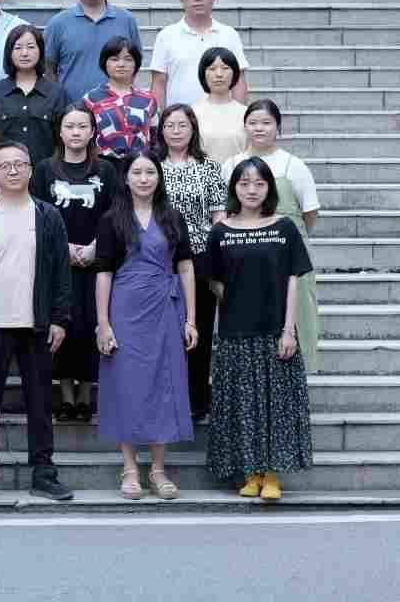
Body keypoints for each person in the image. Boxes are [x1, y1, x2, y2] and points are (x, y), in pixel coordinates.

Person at [0, 142, 74, 503]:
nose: (12, 170)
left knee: (40, 404)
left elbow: (62, 273)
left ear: (30, 169)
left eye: (19, 164)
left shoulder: (47, 216)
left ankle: (44, 474)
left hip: (37, 325)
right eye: (4, 165)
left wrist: (60, 319)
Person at [204, 156, 315, 501]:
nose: (251, 190)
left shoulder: (284, 228)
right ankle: (251, 474)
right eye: (244, 183)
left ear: (269, 188)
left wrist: (289, 329)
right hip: (235, 333)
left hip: (274, 330)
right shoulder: (221, 231)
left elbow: (294, 278)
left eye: (259, 183)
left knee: (275, 407)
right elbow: (213, 280)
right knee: (243, 406)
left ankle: (271, 476)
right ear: (234, 188)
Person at [93, 153, 197, 500]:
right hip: (125, 308)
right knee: (125, 384)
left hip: (166, 308)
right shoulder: (112, 219)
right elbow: (103, 272)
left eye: (150, 172)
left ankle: (158, 469)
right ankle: (129, 468)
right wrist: (103, 323)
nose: (143, 178)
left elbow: (185, 267)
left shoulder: (172, 217)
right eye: (136, 172)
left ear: (159, 177)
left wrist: (191, 319)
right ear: (125, 178)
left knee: (164, 383)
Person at [29, 103, 118, 422]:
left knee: (89, 324)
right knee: (63, 323)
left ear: (93, 131)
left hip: (96, 262)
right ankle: (66, 396)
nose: (76, 132)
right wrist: (63, 247)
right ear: (60, 131)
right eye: (70, 126)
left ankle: (86, 394)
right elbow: (36, 213)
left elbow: (114, 215)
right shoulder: (44, 170)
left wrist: (95, 247)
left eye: (82, 126)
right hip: (56, 262)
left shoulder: (105, 170)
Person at [222, 99, 322, 374]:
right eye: (253, 123)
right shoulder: (231, 164)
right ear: (244, 126)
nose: (259, 128)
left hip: (285, 255)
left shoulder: (294, 165)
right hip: (244, 254)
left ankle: (295, 374)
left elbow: (309, 213)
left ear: (278, 126)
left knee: (296, 314)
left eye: (266, 122)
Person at [154, 104, 226, 422]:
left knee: (200, 327)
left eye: (182, 125)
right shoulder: (152, 166)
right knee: (163, 329)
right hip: (159, 257)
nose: (176, 131)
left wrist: (216, 256)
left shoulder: (208, 167)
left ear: (193, 129)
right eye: (170, 125)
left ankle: (197, 399)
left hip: (199, 256)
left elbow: (219, 215)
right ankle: (165, 397)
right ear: (161, 130)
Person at [44, 0, 144, 104]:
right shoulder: (58, 23)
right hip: (72, 111)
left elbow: (135, 63)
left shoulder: (126, 20)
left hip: (118, 110)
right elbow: (48, 68)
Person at [148, 0, 248, 110]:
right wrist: (159, 119)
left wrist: (240, 115)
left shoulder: (229, 34)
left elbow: (239, 81)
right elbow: (159, 83)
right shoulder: (166, 36)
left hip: (222, 116)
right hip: (179, 119)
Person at [0, 24, 70, 167]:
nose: (25, 53)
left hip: (46, 172)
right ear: (9, 52)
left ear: (41, 51)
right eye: (18, 48)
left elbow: (63, 142)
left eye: (31, 47)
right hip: (4, 172)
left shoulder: (56, 93)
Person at [84, 37, 159, 173]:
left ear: (136, 64)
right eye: (114, 59)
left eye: (128, 59)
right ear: (104, 63)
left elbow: (155, 139)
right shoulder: (90, 99)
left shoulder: (149, 100)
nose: (121, 64)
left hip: (140, 169)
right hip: (102, 167)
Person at [192, 47, 249, 164]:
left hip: (238, 174)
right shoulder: (192, 112)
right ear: (203, 74)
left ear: (235, 74)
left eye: (225, 68)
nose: (219, 74)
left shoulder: (246, 113)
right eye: (212, 69)